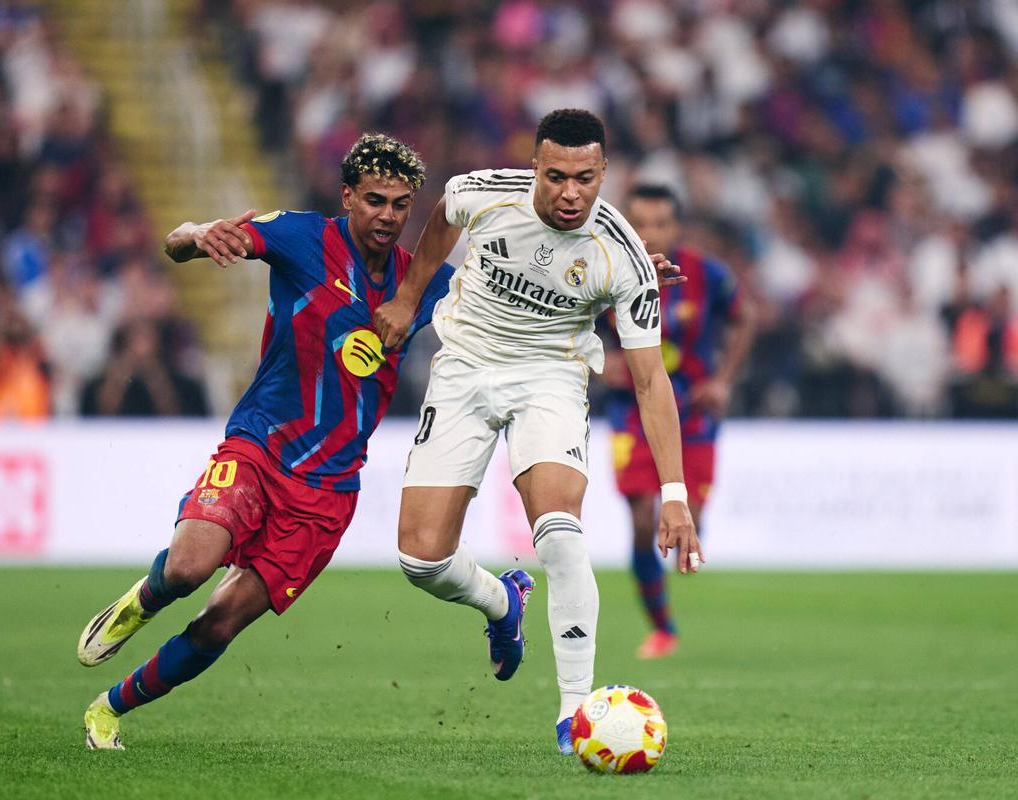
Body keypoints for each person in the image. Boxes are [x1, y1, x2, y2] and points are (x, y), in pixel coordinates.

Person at [76, 133, 452, 749]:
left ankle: (110, 707)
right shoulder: (304, 237)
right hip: (260, 446)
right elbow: (184, 243)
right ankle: (145, 599)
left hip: (329, 491)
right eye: (376, 200)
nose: (388, 215)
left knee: (221, 623)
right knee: (190, 566)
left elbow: (521, 299)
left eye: (401, 204)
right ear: (348, 197)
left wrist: (608, 286)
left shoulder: (424, 283)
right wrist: (195, 236)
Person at [373, 109, 703, 755]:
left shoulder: (624, 257)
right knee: (420, 559)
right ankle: (503, 604)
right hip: (464, 366)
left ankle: (576, 713)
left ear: (604, 173)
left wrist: (673, 492)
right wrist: (409, 298)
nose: (571, 192)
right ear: (535, 169)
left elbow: (649, 381)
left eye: (585, 177)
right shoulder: (484, 193)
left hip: (551, 375)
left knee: (558, 528)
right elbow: (442, 215)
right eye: (556, 177)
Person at [601, 184, 756, 660]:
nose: (650, 233)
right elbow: (570, 324)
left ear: (678, 227)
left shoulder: (706, 274)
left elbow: (745, 317)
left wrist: (724, 379)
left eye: (661, 223)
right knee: (644, 520)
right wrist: (598, 361)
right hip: (631, 410)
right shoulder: (604, 268)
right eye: (640, 224)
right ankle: (662, 627)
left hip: (693, 412)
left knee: (694, 517)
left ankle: (689, 531)